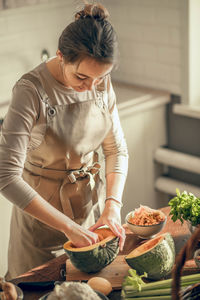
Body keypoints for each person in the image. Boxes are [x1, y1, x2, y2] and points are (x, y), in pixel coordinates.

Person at [0, 2, 128, 280]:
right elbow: (6, 176)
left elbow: (116, 149)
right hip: (39, 229)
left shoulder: (98, 81)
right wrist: (68, 228)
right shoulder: (30, 90)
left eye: (101, 77)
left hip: (89, 216)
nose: (91, 87)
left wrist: (112, 207)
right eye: (81, 77)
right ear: (61, 56)